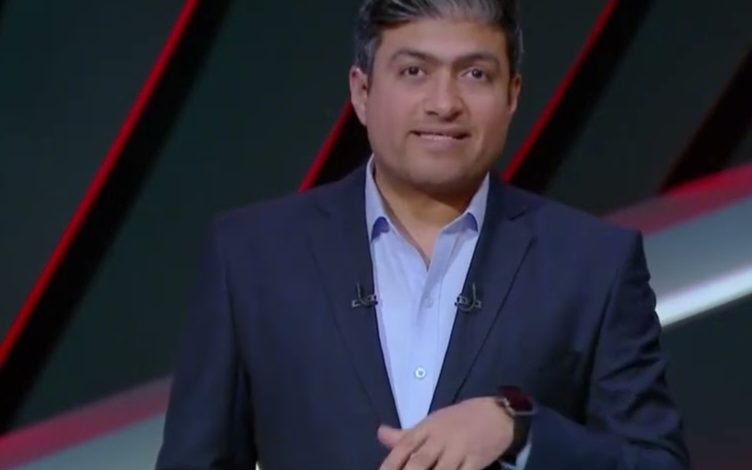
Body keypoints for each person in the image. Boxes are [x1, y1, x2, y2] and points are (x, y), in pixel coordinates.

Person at [156, 0, 690, 468]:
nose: (444, 103)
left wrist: (521, 433)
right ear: (362, 91)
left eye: (475, 74)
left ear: (512, 95)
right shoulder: (252, 257)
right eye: (414, 71)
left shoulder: (594, 264)